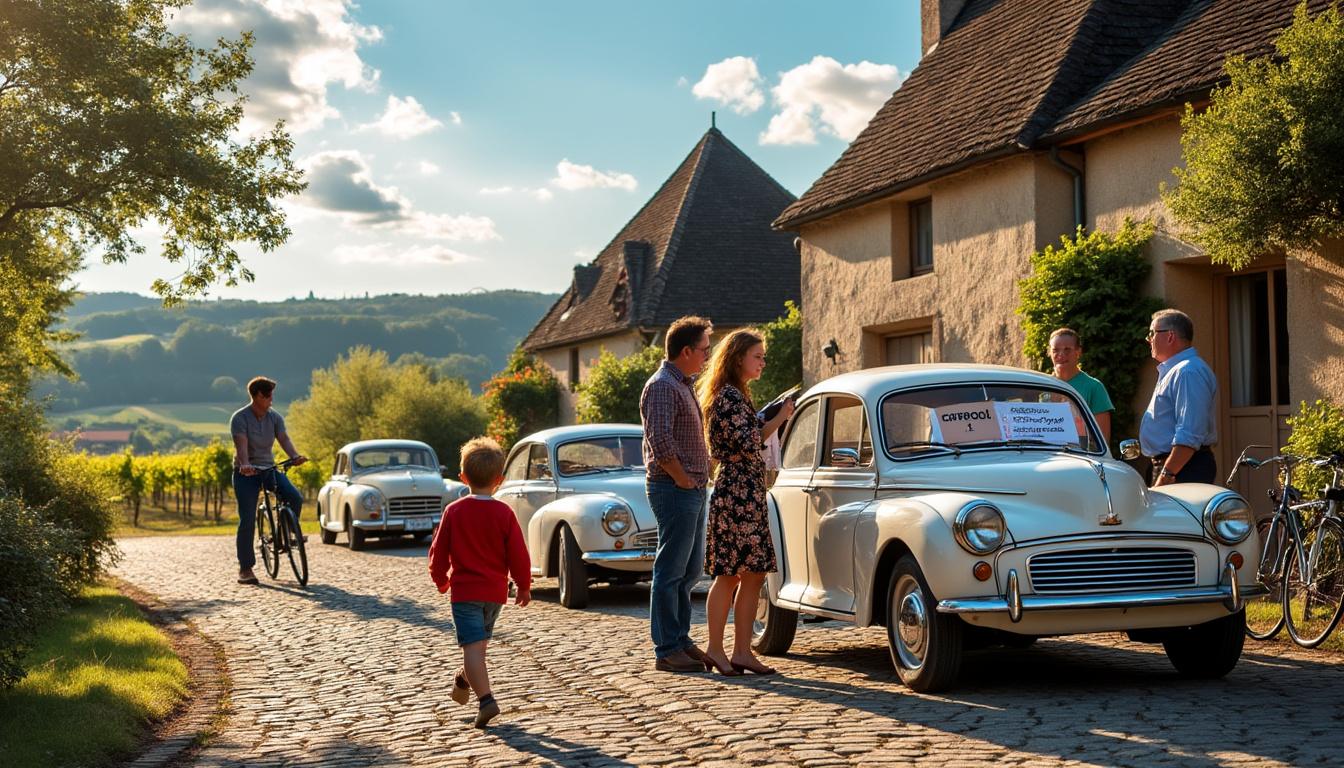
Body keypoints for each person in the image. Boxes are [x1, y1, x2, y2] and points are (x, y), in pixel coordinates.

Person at [698, 329, 793, 676]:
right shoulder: (728, 397)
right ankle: (715, 648)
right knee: (729, 575)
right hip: (736, 492)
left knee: (752, 574)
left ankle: (741, 651)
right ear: (738, 358)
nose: (763, 362)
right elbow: (750, 442)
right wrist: (780, 417)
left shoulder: (737, 395)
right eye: (758, 356)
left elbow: (751, 437)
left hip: (746, 492)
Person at [428, 437, 531, 728]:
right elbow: (519, 555)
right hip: (495, 595)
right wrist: (523, 585)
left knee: (474, 648)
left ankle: (486, 701)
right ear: (499, 480)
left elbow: (439, 551)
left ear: (462, 477)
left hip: (465, 593)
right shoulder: (504, 513)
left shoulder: (455, 511)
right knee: (478, 649)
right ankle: (463, 679)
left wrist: (440, 579)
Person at [640, 315, 714, 673]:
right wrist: (684, 479)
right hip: (674, 489)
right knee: (670, 571)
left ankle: (681, 639)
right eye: (703, 349)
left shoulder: (683, 383)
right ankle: (667, 648)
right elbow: (661, 442)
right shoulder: (662, 386)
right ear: (685, 351)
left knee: (689, 571)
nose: (707, 355)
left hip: (692, 489)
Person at [231, 376, 307, 585]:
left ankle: (285, 535)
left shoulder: (274, 418)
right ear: (256, 396)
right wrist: (245, 464)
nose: (271, 399)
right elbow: (241, 446)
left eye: (272, 395)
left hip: (268, 469)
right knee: (247, 519)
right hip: (246, 473)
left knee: (295, 497)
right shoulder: (240, 418)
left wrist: (294, 456)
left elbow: (284, 439)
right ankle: (245, 569)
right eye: (267, 396)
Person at [1140, 309, 1218, 485]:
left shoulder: (1187, 372)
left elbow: (1189, 433)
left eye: (1152, 333)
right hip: (1174, 466)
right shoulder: (1177, 370)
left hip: (1181, 468)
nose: (1148, 339)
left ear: (1170, 336)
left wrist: (1167, 473)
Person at [1048, 328, 1114, 442]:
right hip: (1045, 456)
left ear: (1078, 352)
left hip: (1079, 457)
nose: (1061, 355)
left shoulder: (1094, 387)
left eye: (1067, 350)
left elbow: (1102, 440)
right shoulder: (1041, 385)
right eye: (1055, 350)